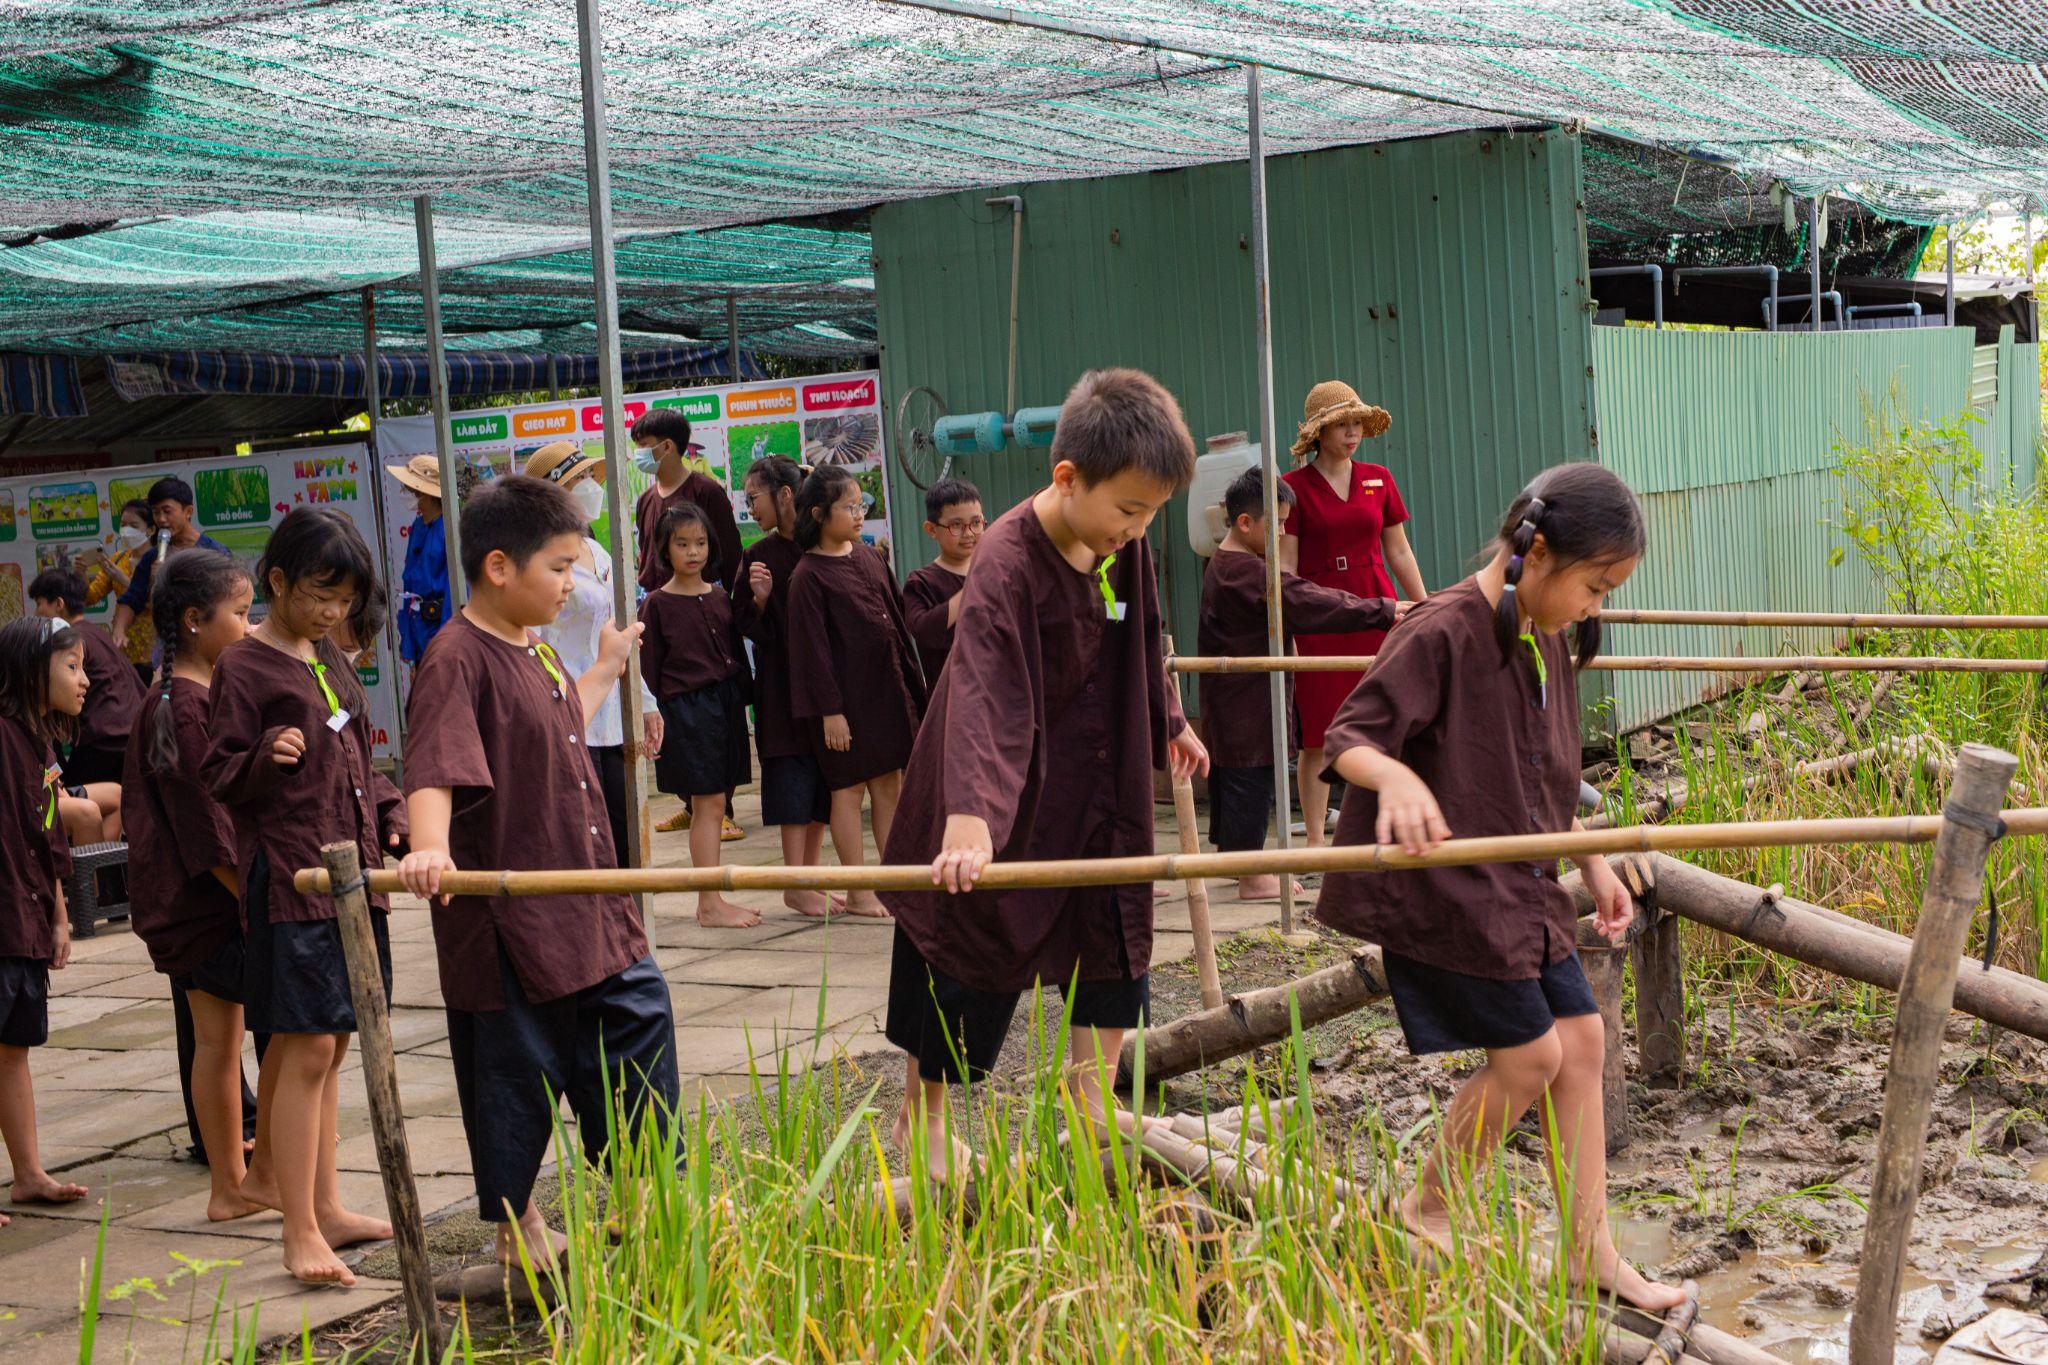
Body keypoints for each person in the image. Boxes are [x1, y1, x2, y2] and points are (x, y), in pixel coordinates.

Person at [1316, 463, 1683, 1312]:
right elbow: (1349, 738)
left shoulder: (1543, 630)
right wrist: (1399, 783)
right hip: (1450, 886)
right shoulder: (1441, 628)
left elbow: (1551, 774)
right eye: (1595, 585)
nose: (1595, 606)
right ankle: (1427, 1203)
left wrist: (1589, 858)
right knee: (1531, 1055)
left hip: (1518, 881)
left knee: (1583, 1041)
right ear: (1540, 552)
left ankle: (1588, 1249)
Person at [880, 368, 1209, 1181]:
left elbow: (1147, 636)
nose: (1138, 528)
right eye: (1129, 509)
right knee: (972, 941)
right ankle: (919, 1115)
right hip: (1006, 788)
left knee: (1116, 927)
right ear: (1067, 478)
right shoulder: (1007, 559)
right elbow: (986, 687)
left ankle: (1092, 1094)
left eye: (1152, 513)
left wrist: (1170, 715)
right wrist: (970, 814)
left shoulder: (1120, 549)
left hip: (1101, 777)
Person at [397, 474, 679, 1271]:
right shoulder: (455, 659)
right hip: (508, 920)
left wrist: (609, 663)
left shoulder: (538, 648)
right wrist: (429, 845)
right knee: (514, 1073)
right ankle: (515, 1228)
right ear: (498, 567)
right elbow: (437, 766)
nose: (570, 583)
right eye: (558, 567)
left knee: (638, 1021)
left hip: (583, 897)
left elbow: (558, 722)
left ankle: (639, 1191)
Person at [202, 507, 404, 1287]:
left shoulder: (328, 658)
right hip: (292, 881)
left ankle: (325, 1202)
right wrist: (264, 757)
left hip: (350, 879)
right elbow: (218, 773)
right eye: (320, 595)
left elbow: (361, 752)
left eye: (344, 600)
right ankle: (295, 1227)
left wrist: (389, 816)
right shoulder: (244, 667)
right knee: (306, 1045)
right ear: (277, 580)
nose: (331, 613)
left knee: (336, 1041)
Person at [120, 552, 268, 1222]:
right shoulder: (180, 707)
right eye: (238, 613)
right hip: (203, 905)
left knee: (219, 1042)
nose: (248, 624)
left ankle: (232, 1183)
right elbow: (208, 831)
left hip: (198, 903)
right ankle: (234, 1181)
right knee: (233, 1041)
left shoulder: (188, 696)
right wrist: (260, 895)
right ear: (193, 621)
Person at [1198, 468, 1397, 902]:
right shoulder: (1243, 571)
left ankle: (1236, 861)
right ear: (1245, 523)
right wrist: (1381, 609)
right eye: (1280, 522)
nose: (1286, 530)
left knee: (1239, 778)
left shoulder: (1231, 564)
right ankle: (1253, 876)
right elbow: (1302, 598)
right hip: (1245, 704)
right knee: (1249, 778)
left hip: (1235, 702)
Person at [1278, 381, 1426, 850]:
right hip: (1319, 618)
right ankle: (1317, 843)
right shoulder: (1291, 488)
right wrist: (1291, 628)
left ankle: (1389, 829)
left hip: (1379, 610)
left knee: (1386, 722)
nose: (1351, 432)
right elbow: (1285, 566)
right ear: (1319, 432)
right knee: (1319, 736)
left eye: (1356, 422)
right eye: (1341, 424)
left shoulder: (1380, 477)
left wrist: (1422, 607)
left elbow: (1398, 550)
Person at [789, 465, 927, 921]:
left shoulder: (870, 556)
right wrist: (830, 711)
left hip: (885, 693)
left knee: (889, 786)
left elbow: (896, 623)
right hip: (844, 705)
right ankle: (860, 890)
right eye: (848, 507)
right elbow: (811, 651)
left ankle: (892, 884)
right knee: (848, 793)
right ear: (818, 513)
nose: (858, 514)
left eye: (859, 505)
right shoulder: (808, 575)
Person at [522, 441, 662, 863]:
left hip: (614, 719)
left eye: (588, 477)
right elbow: (532, 645)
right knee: (585, 844)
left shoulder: (598, 550)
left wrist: (646, 703)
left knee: (624, 840)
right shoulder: (537, 560)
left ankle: (625, 927)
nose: (590, 487)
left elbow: (617, 634)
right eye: (577, 480)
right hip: (570, 714)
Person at [0, 617, 93, 1224]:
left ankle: (28, 1172)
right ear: (36, 671)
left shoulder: (37, 740)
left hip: (25, 915)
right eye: (72, 666)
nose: (83, 680)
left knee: (13, 1049)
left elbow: (48, 834)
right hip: (5, 915)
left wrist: (59, 913)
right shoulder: (3, 737)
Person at [630, 409, 745, 840]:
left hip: (703, 611)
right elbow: (646, 561)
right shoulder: (646, 500)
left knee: (715, 712)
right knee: (676, 712)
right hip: (662, 613)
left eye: (645, 445)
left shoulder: (706, 491)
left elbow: (730, 555)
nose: (639, 454)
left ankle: (723, 808)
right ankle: (690, 804)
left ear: (668, 447)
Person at [735, 456, 842, 919]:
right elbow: (742, 622)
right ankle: (794, 883)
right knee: (792, 785)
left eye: (754, 498)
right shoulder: (757, 556)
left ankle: (809, 881)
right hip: (781, 688)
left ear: (783, 495)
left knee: (822, 784)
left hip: (828, 689)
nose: (750, 507)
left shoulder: (823, 547)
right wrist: (759, 602)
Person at [640, 504, 756, 928]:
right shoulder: (656, 604)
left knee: (718, 804)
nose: (693, 552)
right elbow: (647, 672)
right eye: (683, 544)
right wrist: (650, 723)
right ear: (664, 549)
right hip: (686, 713)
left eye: (701, 543)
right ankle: (709, 902)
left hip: (724, 707)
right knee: (707, 805)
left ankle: (714, 898)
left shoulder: (721, 595)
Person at [31, 568, 144, 793]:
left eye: (39, 603)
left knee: (60, 793)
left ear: (59, 604)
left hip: (105, 747)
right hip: (129, 741)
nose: (36, 613)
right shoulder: (96, 633)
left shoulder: (72, 641)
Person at [111, 476, 230, 648]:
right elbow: (131, 599)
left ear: (188, 512)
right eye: (155, 512)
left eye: (167, 511)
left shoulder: (214, 553)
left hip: (209, 642)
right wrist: (119, 630)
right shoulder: (152, 557)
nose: (161, 519)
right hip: (168, 648)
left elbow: (230, 598)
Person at [902, 477, 982, 691]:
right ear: (931, 529)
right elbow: (923, 630)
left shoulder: (995, 571)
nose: (968, 533)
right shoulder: (921, 583)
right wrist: (971, 589)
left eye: (976, 523)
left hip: (997, 693)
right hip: (950, 698)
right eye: (956, 525)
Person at [80, 498, 159, 682]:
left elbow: (155, 601)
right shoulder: (117, 559)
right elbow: (90, 597)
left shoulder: (159, 560)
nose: (126, 530)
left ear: (151, 530)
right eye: (123, 524)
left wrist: (121, 578)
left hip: (153, 653)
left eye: (133, 525)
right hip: (122, 652)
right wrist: (81, 571)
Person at [387, 454, 451, 667]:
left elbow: (458, 592)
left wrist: (447, 645)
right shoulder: (418, 527)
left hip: (442, 633)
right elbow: (410, 587)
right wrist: (409, 647)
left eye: (412, 489)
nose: (407, 494)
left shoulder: (450, 529)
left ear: (425, 493)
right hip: (418, 631)